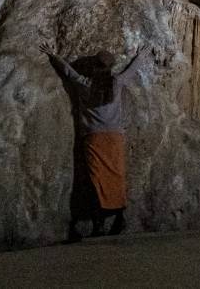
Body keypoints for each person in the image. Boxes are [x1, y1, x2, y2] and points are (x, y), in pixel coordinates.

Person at [41, 43, 143, 237]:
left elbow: (68, 72)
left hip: (94, 137)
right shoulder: (116, 83)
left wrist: (53, 55)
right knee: (117, 176)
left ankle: (99, 224)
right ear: (111, 68)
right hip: (114, 137)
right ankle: (119, 217)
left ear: (95, 67)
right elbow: (131, 71)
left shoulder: (85, 84)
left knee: (96, 180)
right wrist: (140, 56)